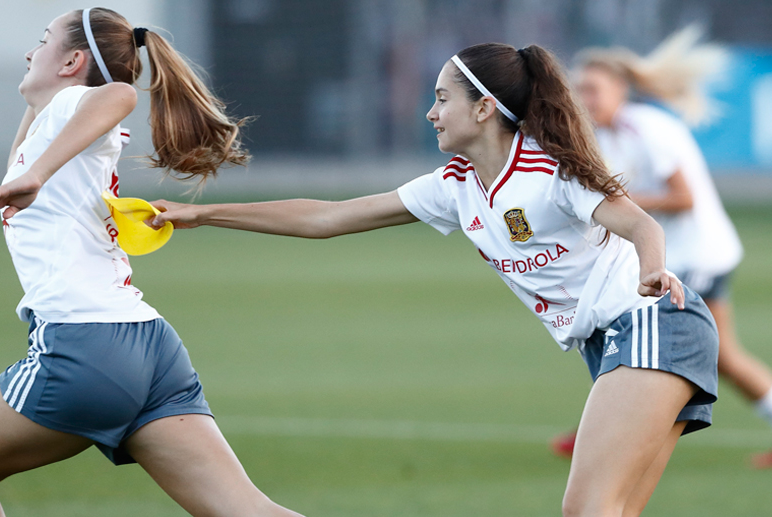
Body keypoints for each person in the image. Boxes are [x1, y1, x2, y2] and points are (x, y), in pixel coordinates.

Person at [148, 43, 719, 516]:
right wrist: (202, 214)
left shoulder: (548, 168)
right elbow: (328, 217)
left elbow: (640, 223)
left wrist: (652, 267)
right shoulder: (455, 185)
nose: (431, 112)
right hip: (616, 340)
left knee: (586, 510)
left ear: (484, 108)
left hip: (651, 323)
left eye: (443, 98)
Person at [0, 8, 304, 517]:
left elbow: (119, 94)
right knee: (248, 511)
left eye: (43, 40)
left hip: (84, 346)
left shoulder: (71, 108)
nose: (29, 52)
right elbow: (26, 155)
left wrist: (36, 173)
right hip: (152, 348)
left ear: (73, 62)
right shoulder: (54, 130)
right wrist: (33, 151)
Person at [548, 27, 772, 469]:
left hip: (696, 254)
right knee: (720, 356)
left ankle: (608, 430)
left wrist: (621, 204)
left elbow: (684, 198)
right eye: (578, 90)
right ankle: (606, 427)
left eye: (593, 89)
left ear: (620, 89)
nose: (584, 99)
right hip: (679, 255)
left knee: (637, 334)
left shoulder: (647, 128)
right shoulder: (606, 135)